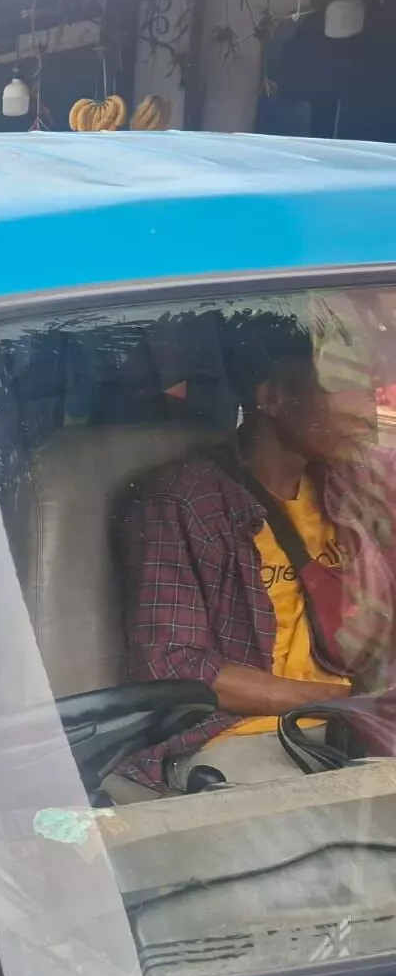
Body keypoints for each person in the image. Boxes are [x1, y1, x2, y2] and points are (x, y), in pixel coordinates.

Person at [115, 311, 396, 792]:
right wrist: (341, 699)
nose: (365, 410)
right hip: (244, 739)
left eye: (368, 388)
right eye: (340, 387)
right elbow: (173, 666)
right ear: (272, 397)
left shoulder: (354, 486)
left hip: (360, 725)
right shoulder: (183, 501)